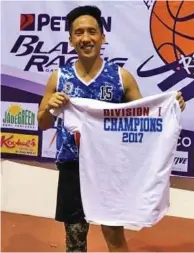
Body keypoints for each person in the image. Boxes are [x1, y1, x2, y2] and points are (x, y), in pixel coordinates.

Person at [37, 5, 185, 252]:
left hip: (110, 170)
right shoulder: (59, 78)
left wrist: (170, 107)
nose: (86, 38)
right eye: (79, 32)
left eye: (92, 31)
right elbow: (42, 123)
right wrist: (49, 108)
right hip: (72, 167)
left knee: (114, 236)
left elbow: (144, 120)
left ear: (103, 37)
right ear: (71, 39)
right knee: (75, 241)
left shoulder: (121, 78)